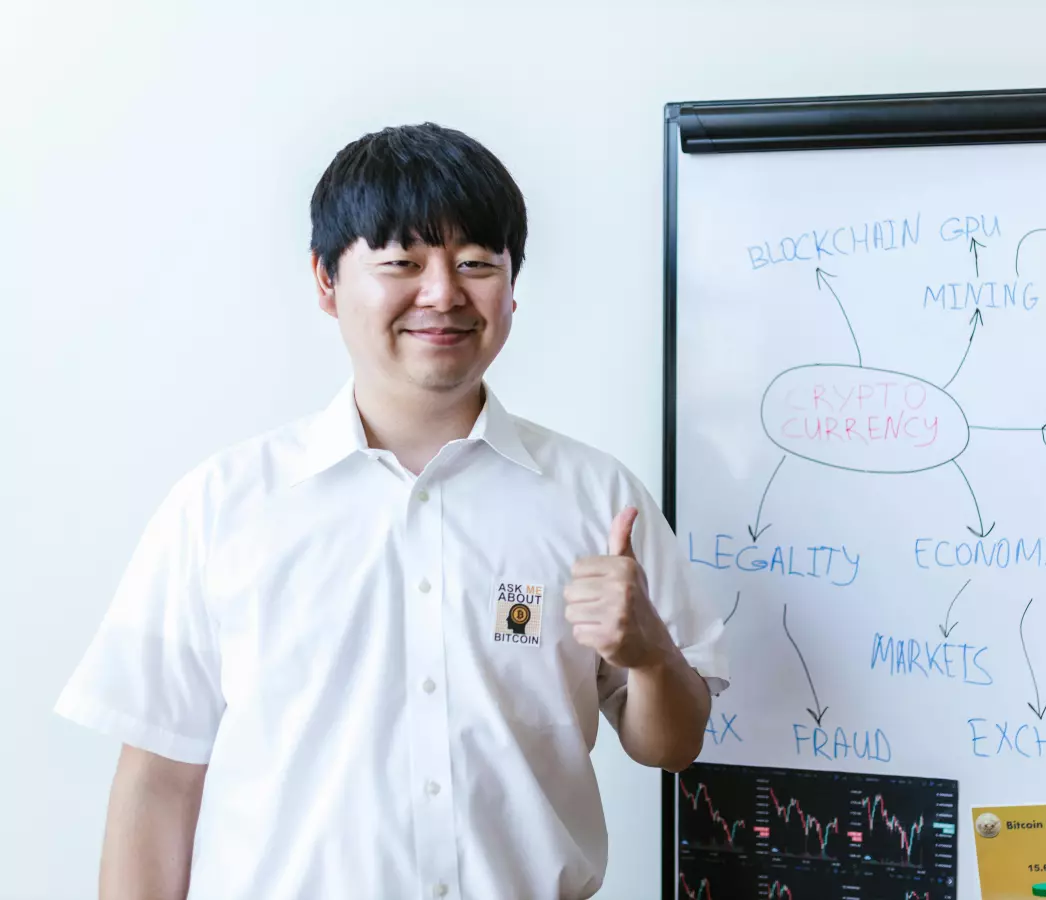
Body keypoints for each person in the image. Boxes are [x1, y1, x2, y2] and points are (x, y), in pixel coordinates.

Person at [54, 122, 729, 900]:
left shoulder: (598, 499)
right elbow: (158, 786)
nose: (442, 293)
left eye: (476, 263)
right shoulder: (223, 508)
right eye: (403, 262)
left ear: (513, 287)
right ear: (325, 279)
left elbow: (673, 746)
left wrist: (650, 656)